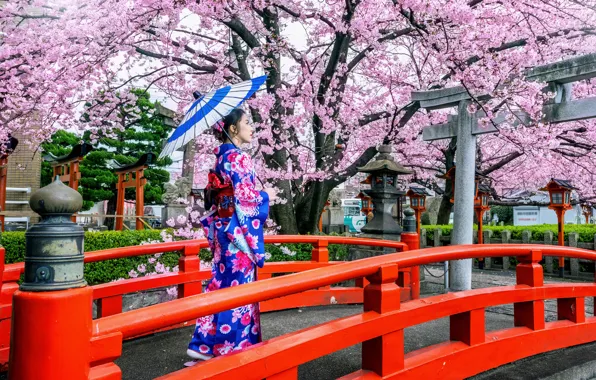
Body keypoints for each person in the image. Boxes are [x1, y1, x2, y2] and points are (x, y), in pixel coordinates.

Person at [186, 108, 277, 365]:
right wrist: (265, 195)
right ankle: (231, 347)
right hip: (238, 234)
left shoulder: (221, 158)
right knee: (237, 288)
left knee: (220, 284)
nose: (252, 128)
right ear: (233, 128)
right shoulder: (238, 157)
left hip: (224, 232)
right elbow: (246, 199)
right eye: (247, 123)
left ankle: (202, 343)